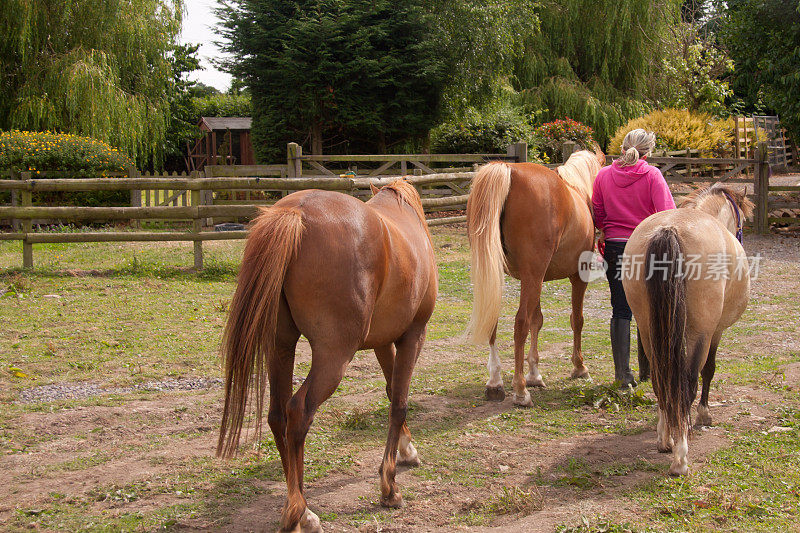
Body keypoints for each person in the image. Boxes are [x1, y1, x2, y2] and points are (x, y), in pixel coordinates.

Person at [592, 129, 676, 388]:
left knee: (620, 309)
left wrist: (608, 229)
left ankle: (622, 376)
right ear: (648, 151)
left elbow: (597, 211)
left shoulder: (603, 175)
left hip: (616, 248)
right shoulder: (652, 175)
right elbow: (667, 213)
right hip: (647, 248)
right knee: (649, 308)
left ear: (623, 147)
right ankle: (648, 371)